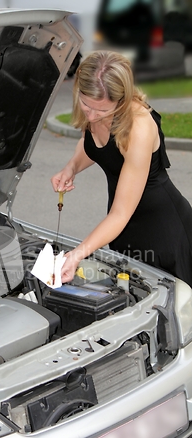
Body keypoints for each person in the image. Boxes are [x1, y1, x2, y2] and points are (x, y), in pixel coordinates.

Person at [51, 51, 192, 287]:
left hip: (162, 231)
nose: (93, 115)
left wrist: (76, 254)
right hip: (121, 229)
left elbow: (120, 213)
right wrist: (71, 168)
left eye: (102, 110)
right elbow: (93, 145)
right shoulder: (95, 108)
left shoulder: (139, 125)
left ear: (122, 99)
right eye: (86, 106)